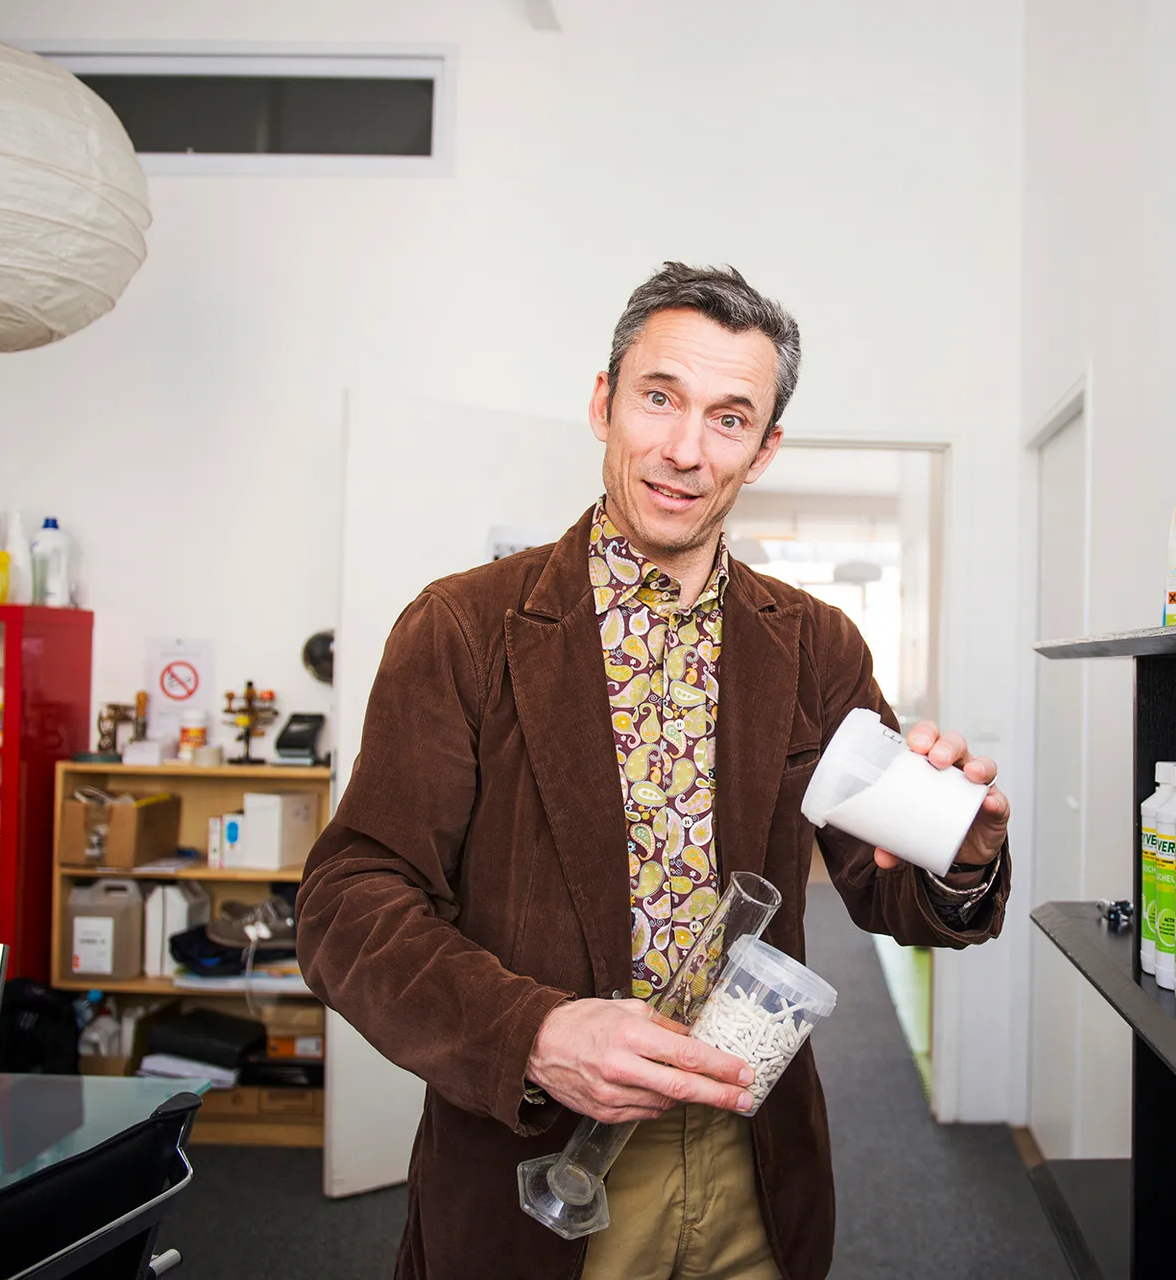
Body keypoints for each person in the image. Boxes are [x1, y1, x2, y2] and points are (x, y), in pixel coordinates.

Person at [296, 262, 1013, 1280]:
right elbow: (348, 902)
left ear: (764, 449)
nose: (684, 449)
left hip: (750, 1158)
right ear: (604, 402)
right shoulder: (465, 627)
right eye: (660, 398)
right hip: (534, 1157)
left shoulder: (814, 645)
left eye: (729, 418)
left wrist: (962, 853)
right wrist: (533, 1029)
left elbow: (887, 886)